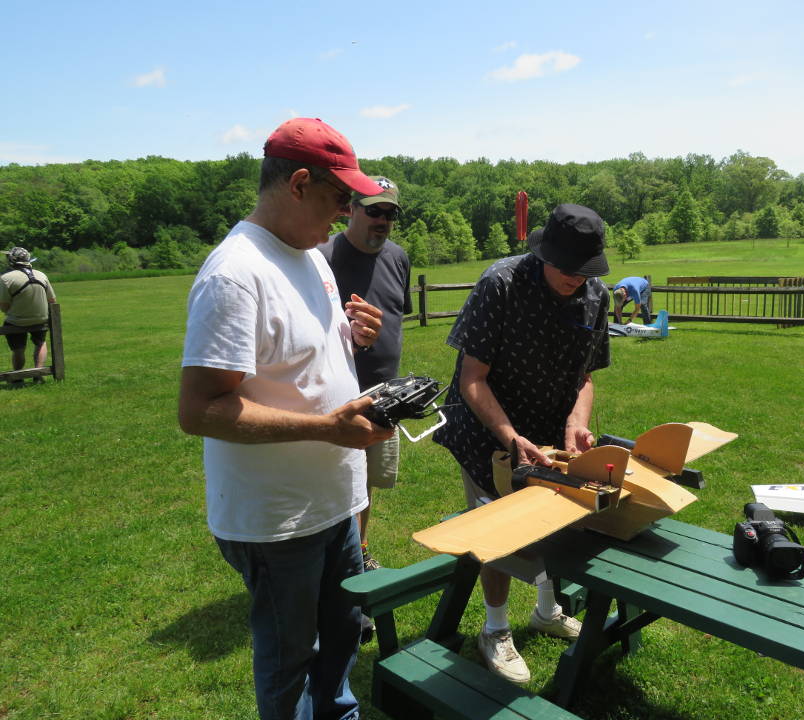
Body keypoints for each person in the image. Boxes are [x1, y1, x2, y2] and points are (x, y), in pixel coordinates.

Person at [178, 117, 394, 720]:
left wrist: (351, 336)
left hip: (335, 503)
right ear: (299, 184)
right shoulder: (234, 274)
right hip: (278, 521)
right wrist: (328, 430)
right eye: (339, 197)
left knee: (342, 638)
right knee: (289, 660)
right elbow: (200, 410)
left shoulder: (310, 257)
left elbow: (300, 358)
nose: (346, 213)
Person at [433, 203, 611, 684]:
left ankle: (547, 611)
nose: (576, 279)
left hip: (550, 433)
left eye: (586, 270)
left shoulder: (596, 295)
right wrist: (510, 436)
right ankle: (495, 628)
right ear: (544, 253)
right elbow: (472, 379)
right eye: (568, 268)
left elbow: (585, 376)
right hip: (486, 428)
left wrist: (576, 421)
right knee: (500, 529)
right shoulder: (501, 283)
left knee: (555, 522)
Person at [320, 176, 411, 573]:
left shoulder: (398, 257)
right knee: (332, 479)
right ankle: (330, 560)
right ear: (350, 210)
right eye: (374, 211)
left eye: (390, 213)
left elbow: (396, 318)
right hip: (334, 394)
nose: (382, 220)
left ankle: (359, 551)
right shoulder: (322, 256)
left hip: (384, 394)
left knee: (366, 480)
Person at [1, 247, 56, 384]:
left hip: (16, 321)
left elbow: (4, 306)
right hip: (41, 319)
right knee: (41, 342)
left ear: (12, 261)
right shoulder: (41, 275)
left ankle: (17, 377)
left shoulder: (6, 278)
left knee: (18, 349)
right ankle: (38, 374)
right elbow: (52, 300)